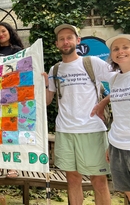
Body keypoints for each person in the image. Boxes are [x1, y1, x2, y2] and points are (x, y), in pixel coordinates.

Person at [43, 24, 115, 204]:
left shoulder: (92, 63)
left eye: (69, 37)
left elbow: (122, 80)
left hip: (92, 130)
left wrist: (103, 102)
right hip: (65, 131)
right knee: (73, 180)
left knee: (98, 181)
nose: (66, 42)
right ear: (57, 44)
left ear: (78, 40)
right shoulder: (55, 70)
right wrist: (44, 84)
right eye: (61, 39)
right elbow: (46, 101)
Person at [0, 22, 24, 178]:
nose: (0, 34)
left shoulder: (19, 51)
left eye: (3, 31)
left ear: (9, 32)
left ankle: (12, 167)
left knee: (11, 131)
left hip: (13, 97)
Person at [103, 34, 130, 204]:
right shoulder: (114, 79)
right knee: (127, 191)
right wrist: (110, 145)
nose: (120, 51)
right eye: (115, 49)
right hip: (117, 144)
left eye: (125, 47)